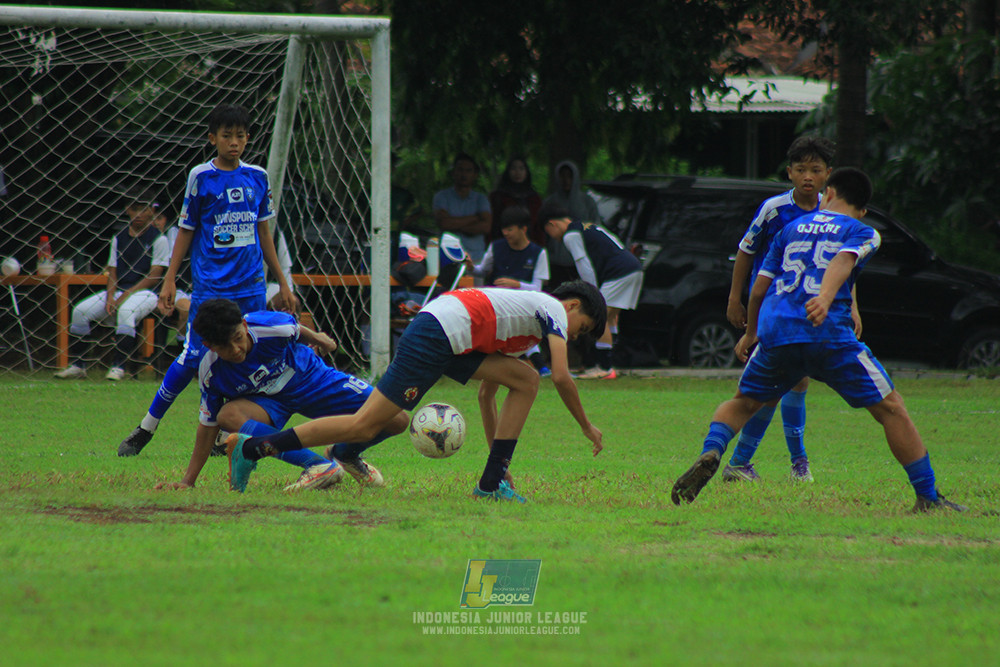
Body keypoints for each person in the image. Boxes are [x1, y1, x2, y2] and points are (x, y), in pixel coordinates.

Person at [671, 167, 967, 513]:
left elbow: (759, 289)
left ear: (828, 193)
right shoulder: (863, 230)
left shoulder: (789, 229)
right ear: (862, 209)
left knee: (743, 402)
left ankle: (713, 450)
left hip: (778, 331)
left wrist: (751, 332)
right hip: (828, 333)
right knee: (891, 409)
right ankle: (929, 498)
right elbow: (843, 261)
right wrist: (826, 298)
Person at [223, 281, 608, 501]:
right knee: (362, 424)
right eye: (583, 326)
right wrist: (587, 426)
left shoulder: (525, 330)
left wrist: (498, 464)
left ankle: (491, 483)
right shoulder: (552, 311)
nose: (576, 334)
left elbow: (487, 396)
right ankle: (253, 447)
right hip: (437, 334)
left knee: (524, 379)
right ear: (572, 305)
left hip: (447, 335)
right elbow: (561, 376)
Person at [117, 103, 297, 457]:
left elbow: (265, 233)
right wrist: (169, 280)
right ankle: (145, 428)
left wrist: (283, 282)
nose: (234, 142)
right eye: (227, 136)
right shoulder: (201, 176)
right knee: (191, 360)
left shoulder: (257, 177)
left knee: (245, 357)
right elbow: (186, 230)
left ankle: (225, 435)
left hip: (250, 289)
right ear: (212, 138)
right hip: (212, 289)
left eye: (240, 136)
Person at [154, 298, 409, 492]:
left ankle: (344, 454)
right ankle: (317, 465)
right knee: (228, 414)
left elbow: (296, 330)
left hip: (311, 377)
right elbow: (207, 426)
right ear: (209, 345)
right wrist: (188, 481)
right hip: (271, 403)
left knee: (396, 418)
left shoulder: (269, 326)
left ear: (244, 325)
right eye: (224, 347)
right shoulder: (210, 371)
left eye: (238, 338)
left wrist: (320, 338)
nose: (236, 350)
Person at [723, 136, 841, 483]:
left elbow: (842, 263)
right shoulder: (774, 209)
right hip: (774, 307)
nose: (808, 176)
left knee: (794, 380)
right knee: (783, 380)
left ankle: (758, 462)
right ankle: (787, 463)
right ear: (789, 173)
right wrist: (735, 298)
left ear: (827, 175)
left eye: (815, 170)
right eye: (801, 169)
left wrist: (852, 307)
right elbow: (746, 250)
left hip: (810, 307)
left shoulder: (831, 212)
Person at [54, 191, 169, 381]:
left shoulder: (159, 239)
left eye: (143, 209)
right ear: (127, 210)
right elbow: (113, 272)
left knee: (126, 311)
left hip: (147, 292)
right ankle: (78, 365)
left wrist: (125, 295)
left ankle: (119, 367)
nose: (138, 214)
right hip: (119, 290)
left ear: (151, 211)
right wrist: (110, 296)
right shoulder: (119, 237)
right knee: (80, 311)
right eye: (134, 209)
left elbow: (154, 276)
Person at [539, 202, 643, 380]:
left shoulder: (570, 236)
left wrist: (591, 294)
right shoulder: (588, 226)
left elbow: (584, 264)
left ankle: (604, 367)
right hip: (633, 268)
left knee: (597, 317)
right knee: (610, 317)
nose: (551, 237)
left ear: (552, 225)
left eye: (547, 232)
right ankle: (608, 363)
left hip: (618, 273)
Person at [467, 205, 552, 376]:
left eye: (510, 229)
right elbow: (482, 270)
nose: (506, 233)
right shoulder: (496, 247)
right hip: (495, 302)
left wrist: (517, 285)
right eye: (503, 229)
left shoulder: (538, 253)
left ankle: (540, 366)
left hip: (524, 304)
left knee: (520, 324)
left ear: (524, 229)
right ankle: (540, 366)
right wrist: (470, 266)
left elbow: (538, 288)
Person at [541, 160, 600, 288]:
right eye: (563, 176)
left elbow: (596, 229)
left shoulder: (587, 202)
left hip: (579, 259)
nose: (566, 180)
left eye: (569, 176)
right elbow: (542, 232)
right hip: (555, 261)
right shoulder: (550, 202)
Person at [432, 152, 492, 262]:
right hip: (447, 257)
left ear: (475, 175)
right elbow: (444, 223)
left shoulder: (481, 199)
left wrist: (454, 225)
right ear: (453, 172)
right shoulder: (442, 197)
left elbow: (486, 227)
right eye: (460, 170)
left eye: (468, 171)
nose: (464, 174)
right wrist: (474, 218)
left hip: (475, 258)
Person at [488, 156, 544, 244]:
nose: (517, 172)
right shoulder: (498, 197)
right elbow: (493, 224)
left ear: (526, 172)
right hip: (503, 242)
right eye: (513, 168)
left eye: (521, 168)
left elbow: (538, 226)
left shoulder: (534, 198)